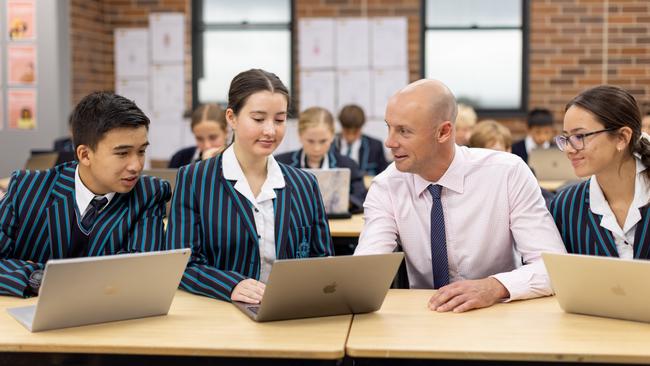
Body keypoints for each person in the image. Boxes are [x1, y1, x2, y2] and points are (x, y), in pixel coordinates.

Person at [354, 79, 566, 313]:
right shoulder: (387, 185)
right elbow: (365, 273)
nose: (389, 142)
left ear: (444, 132)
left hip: (497, 314)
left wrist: (493, 287)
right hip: (425, 316)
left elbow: (553, 268)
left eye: (404, 131)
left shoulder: (507, 173)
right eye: (389, 127)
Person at [166, 69, 334, 303]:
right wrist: (230, 285)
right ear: (231, 118)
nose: (270, 130)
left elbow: (322, 259)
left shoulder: (305, 184)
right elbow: (182, 264)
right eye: (258, 119)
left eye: (279, 120)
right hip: (222, 314)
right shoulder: (194, 179)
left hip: (291, 313)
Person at [0, 91, 171, 297]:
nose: (136, 165)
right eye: (122, 153)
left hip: (109, 320)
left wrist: (49, 276)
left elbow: (141, 272)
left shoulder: (149, 194)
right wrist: (38, 278)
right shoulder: (28, 188)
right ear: (85, 154)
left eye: (141, 151)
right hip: (26, 318)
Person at [550, 85, 650, 259]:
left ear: (622, 137)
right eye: (566, 138)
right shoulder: (565, 206)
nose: (568, 149)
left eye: (579, 136)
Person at [276, 106, 367, 213]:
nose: (316, 148)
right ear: (299, 136)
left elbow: (361, 198)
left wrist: (342, 202)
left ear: (332, 136)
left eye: (323, 141)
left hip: (337, 224)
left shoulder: (348, 165)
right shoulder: (280, 164)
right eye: (310, 141)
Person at [333, 104, 389, 176]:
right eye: (347, 132)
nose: (351, 137)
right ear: (341, 126)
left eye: (355, 132)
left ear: (362, 126)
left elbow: (384, 175)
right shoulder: (330, 144)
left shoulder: (375, 146)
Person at [168, 103, 228, 168]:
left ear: (226, 133)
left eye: (213, 138)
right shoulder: (179, 158)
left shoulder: (237, 161)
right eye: (199, 139)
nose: (207, 145)